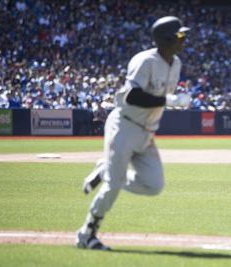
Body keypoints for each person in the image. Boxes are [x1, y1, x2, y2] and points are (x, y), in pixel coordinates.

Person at [76, 16, 191, 250]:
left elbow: (155, 99)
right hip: (125, 126)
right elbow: (132, 96)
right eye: (179, 35)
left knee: (153, 185)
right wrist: (168, 100)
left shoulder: (176, 63)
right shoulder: (145, 60)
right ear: (165, 39)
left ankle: (106, 169)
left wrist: (169, 100)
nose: (184, 39)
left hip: (147, 132)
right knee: (113, 186)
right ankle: (87, 234)